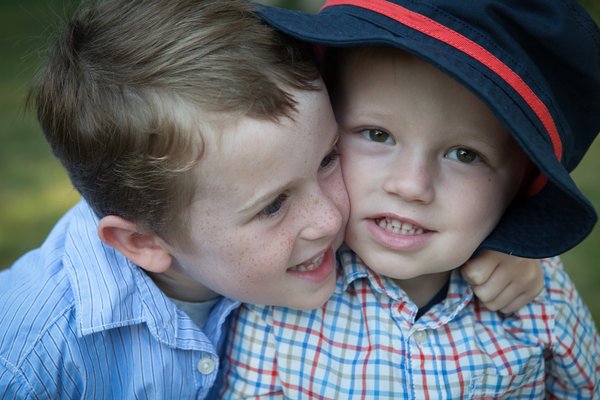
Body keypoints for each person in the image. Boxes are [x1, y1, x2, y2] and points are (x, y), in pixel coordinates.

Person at [0, 0, 543, 398]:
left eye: (329, 158)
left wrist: (504, 243)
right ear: (143, 241)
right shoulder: (32, 356)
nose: (331, 218)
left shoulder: (264, 239)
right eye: (273, 205)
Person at [221, 0, 600, 398]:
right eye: (377, 134)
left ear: (522, 184)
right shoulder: (276, 293)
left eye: (464, 155)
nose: (411, 186)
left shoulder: (537, 299)